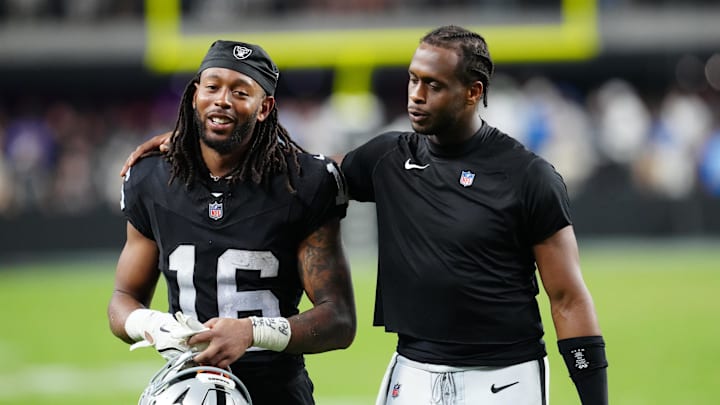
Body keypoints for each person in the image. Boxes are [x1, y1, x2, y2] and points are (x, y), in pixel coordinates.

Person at [122, 25, 608, 405]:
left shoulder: (529, 176)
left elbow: (567, 298)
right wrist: (190, 140)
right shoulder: (387, 157)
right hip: (413, 367)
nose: (415, 94)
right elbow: (300, 173)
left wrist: (593, 397)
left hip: (504, 371)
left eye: (433, 85)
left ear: (472, 92)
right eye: (413, 80)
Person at [108, 39, 356, 405]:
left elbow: (339, 320)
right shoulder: (151, 177)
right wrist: (150, 325)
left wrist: (253, 332)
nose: (222, 99)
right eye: (212, 87)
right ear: (195, 95)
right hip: (186, 390)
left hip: (276, 393)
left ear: (263, 107)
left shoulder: (304, 182)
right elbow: (123, 300)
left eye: (241, 92)